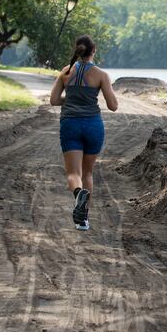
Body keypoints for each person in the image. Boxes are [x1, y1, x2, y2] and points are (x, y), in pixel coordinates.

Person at [49, 35, 118, 230]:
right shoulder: (101, 75)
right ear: (93, 51)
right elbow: (113, 106)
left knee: (73, 173)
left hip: (70, 124)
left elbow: (54, 100)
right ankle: (83, 220)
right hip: (93, 126)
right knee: (88, 173)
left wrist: (72, 100)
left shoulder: (66, 71)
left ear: (77, 50)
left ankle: (78, 193)